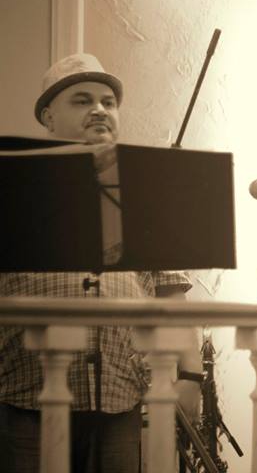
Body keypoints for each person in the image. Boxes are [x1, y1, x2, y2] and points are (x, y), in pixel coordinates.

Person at [0, 53, 199, 473]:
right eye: (82, 100)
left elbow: (172, 295)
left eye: (108, 102)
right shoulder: (12, 189)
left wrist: (190, 377)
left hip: (118, 398)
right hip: (24, 395)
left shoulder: (143, 193)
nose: (99, 110)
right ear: (48, 116)